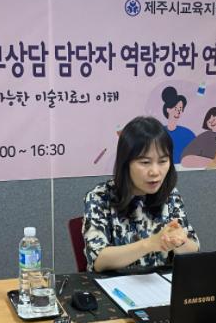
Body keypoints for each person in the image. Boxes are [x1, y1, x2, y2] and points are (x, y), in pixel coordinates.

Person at [82, 116, 199, 272]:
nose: (155, 172)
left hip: (160, 284)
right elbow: (99, 260)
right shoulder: (99, 197)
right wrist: (150, 244)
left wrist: (179, 241)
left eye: (163, 161)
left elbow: (193, 250)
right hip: (115, 284)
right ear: (126, 163)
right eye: (145, 162)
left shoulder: (170, 195)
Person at [161, 86, 195, 164]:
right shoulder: (159, 133)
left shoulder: (188, 134)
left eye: (180, 109)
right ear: (168, 109)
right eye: (176, 108)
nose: (178, 112)